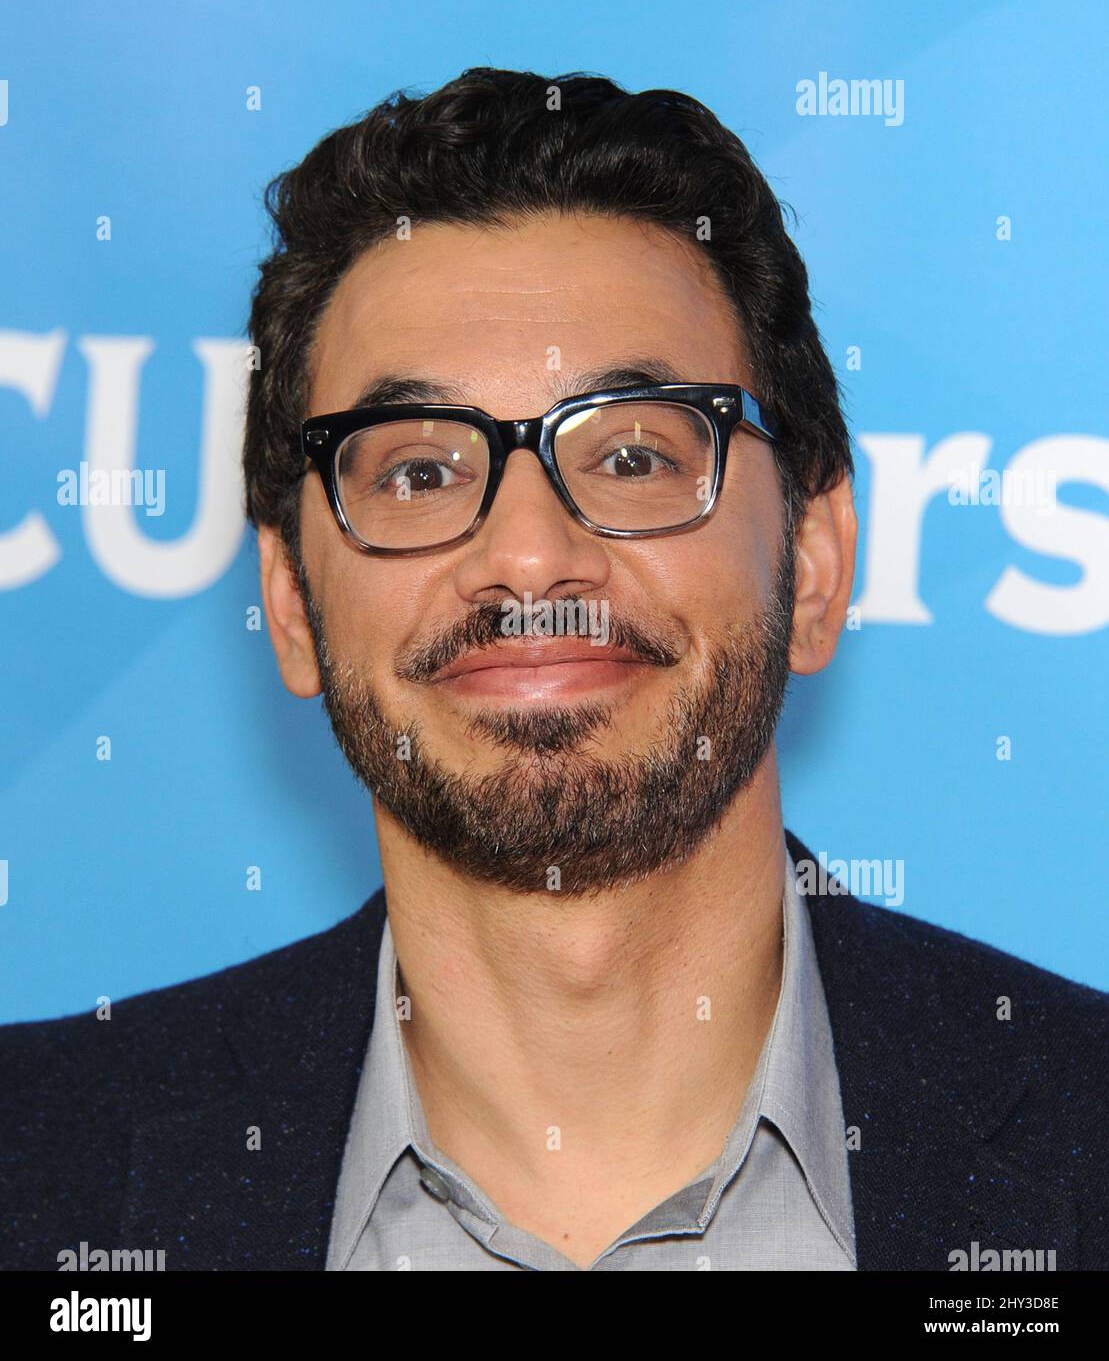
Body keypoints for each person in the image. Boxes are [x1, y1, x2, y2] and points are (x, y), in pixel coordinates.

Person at [3, 68, 1106, 1273]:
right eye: (417, 472)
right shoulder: (36, 1172)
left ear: (818, 564)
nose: (527, 553)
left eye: (631, 453)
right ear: (291, 606)